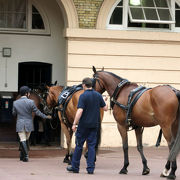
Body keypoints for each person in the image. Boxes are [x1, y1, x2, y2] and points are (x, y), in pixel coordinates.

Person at [67, 77, 108, 174]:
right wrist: (105, 100)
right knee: (91, 146)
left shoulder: (83, 96)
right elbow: (105, 108)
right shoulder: (98, 95)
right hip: (94, 125)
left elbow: (80, 111)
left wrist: (74, 123)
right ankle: (90, 169)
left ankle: (75, 167)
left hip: (83, 125)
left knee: (79, 145)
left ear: (84, 85)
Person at [12, 86, 51, 162]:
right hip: (29, 124)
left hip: (20, 123)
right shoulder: (31, 102)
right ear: (27, 94)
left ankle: (23, 155)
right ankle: (25, 156)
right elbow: (37, 112)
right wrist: (45, 116)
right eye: (29, 92)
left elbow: (14, 113)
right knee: (26, 139)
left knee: (22, 139)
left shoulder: (15, 102)